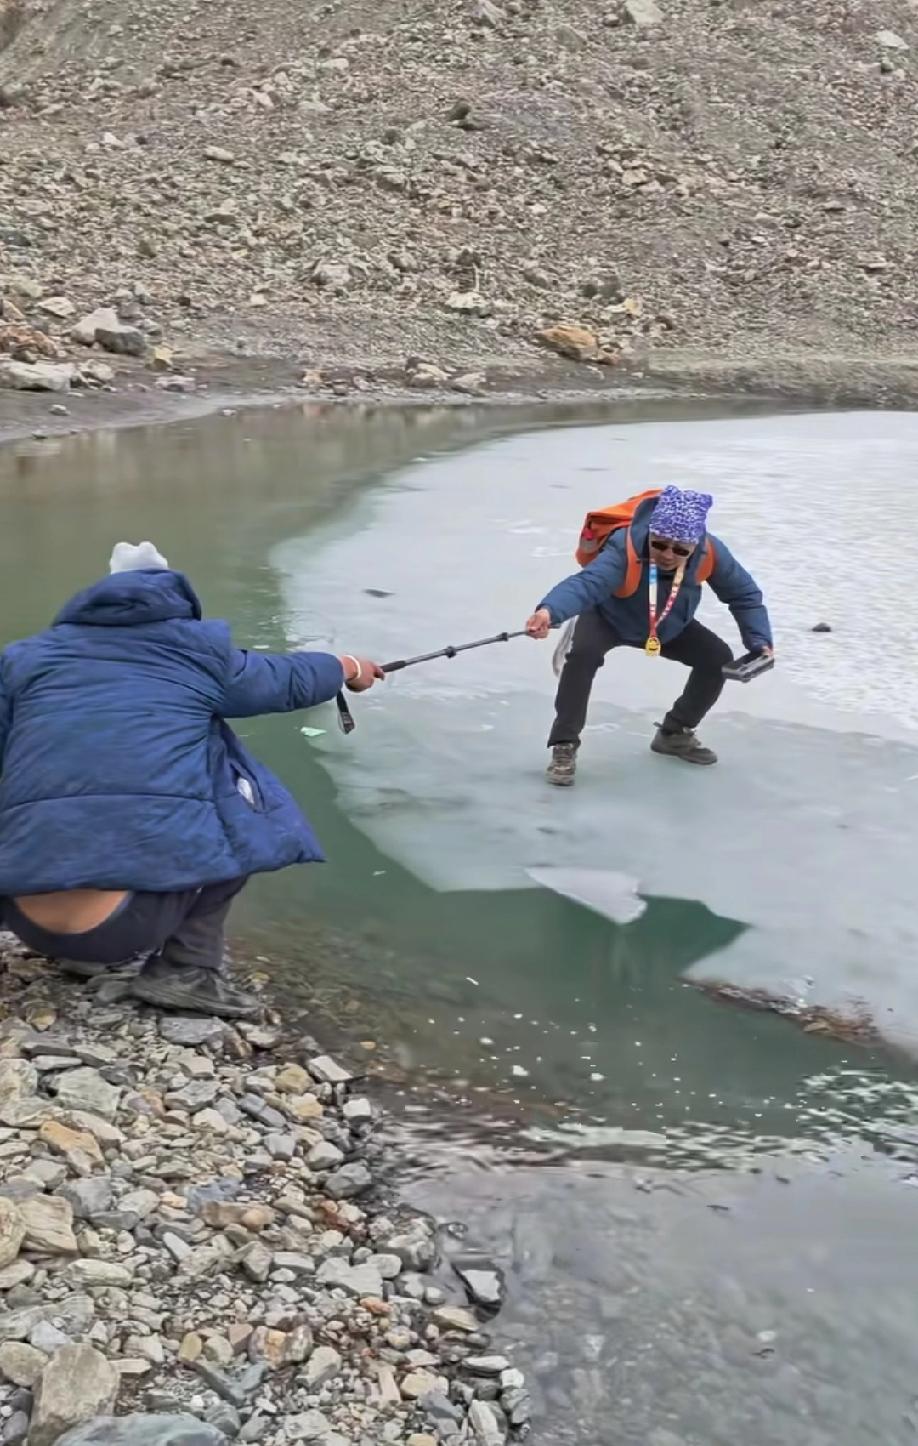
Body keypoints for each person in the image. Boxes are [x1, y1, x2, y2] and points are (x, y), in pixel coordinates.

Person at [0, 542, 384, 1019]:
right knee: (233, 795)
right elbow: (286, 679)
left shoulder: (24, 660)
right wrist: (348, 667)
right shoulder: (194, 653)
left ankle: (76, 949)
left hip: (23, 918)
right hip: (125, 925)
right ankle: (187, 969)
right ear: (178, 602)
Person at [525, 486, 773, 785]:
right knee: (582, 656)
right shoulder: (624, 548)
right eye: (660, 545)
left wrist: (759, 641)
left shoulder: (711, 552)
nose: (668, 555)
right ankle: (564, 745)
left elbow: (744, 595)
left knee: (716, 658)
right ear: (650, 534)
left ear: (695, 546)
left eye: (680, 549)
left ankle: (674, 733)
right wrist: (549, 611)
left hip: (667, 624)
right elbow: (587, 584)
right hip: (609, 618)